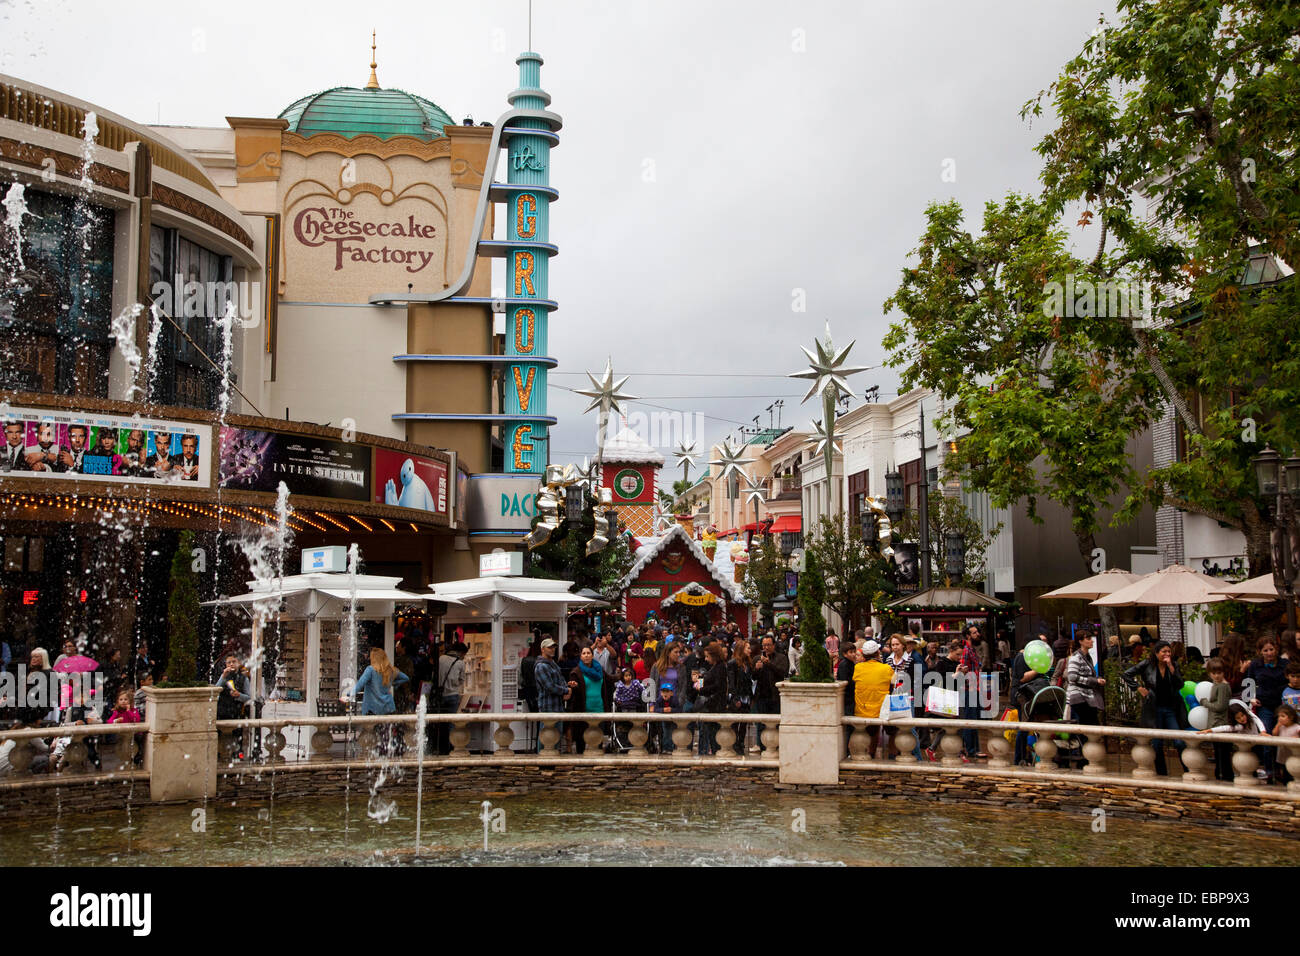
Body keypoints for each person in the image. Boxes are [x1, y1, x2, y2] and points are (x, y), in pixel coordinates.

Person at [1123, 641, 1188, 776]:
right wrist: (1138, 688)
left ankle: (1188, 770)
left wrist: (1171, 667)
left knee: (1179, 741)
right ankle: (1162, 773)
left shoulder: (1173, 665)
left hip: (1170, 708)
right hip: (1154, 708)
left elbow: (1180, 684)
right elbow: (1127, 674)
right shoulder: (1147, 664)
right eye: (1164, 651)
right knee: (1157, 743)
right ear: (1156, 653)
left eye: (1169, 651)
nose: (1167, 654)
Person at [1242, 637, 1285, 782]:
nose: (1269, 653)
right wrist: (1250, 699)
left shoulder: (1284, 664)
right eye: (1265, 650)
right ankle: (1270, 771)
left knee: (1283, 738)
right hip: (1264, 705)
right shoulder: (1255, 665)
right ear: (1260, 652)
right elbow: (1248, 682)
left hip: (1282, 705)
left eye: (1271, 649)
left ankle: (1283, 770)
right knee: (1266, 737)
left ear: (1276, 649)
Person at [1065, 629, 1106, 769]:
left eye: (1091, 638)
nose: (1091, 640)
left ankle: (1086, 758)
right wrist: (1094, 681)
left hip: (1088, 698)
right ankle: (1084, 758)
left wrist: (1095, 680)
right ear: (1080, 641)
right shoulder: (1076, 657)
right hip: (1080, 698)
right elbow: (1072, 677)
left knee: (1090, 728)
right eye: (1088, 638)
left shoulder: (1087, 657)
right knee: (1087, 728)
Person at [852, 641, 894, 759]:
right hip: (882, 711)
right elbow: (894, 684)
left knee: (873, 730)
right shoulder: (887, 668)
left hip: (862, 710)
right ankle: (892, 755)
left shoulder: (858, 668)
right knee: (894, 731)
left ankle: (871, 753)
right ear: (877, 653)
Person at [566, 645, 607, 754]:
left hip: (599, 709)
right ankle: (581, 765)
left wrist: (621, 675)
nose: (586, 655)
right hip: (583, 709)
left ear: (592, 656)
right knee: (581, 740)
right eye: (583, 653)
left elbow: (610, 679)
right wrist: (574, 686)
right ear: (580, 656)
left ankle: (597, 766)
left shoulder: (599, 670)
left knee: (598, 739)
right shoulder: (576, 672)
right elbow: (573, 689)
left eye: (588, 653)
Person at [695, 642, 728, 755]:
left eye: (707, 656)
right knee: (710, 733)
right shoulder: (716, 667)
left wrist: (702, 689)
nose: (706, 659)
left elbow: (718, 686)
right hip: (713, 704)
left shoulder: (720, 667)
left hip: (715, 705)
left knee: (714, 734)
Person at [1204, 658, 1234, 781]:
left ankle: (1224, 777)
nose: (1217, 675)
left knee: (1222, 753)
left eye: (1219, 673)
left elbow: (1221, 706)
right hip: (1216, 723)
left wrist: (1205, 703)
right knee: (1219, 752)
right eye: (1214, 673)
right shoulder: (1217, 685)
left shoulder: (1222, 686)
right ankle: (1221, 775)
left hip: (1220, 723)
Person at [727, 638, 754, 754]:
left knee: (744, 723)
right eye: (748, 648)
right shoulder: (732, 663)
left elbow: (750, 681)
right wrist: (735, 698)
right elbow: (731, 683)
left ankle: (741, 744)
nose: (750, 650)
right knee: (735, 723)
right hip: (737, 697)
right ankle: (734, 744)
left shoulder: (748, 663)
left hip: (746, 696)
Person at [612, 666, 644, 751]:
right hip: (624, 705)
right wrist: (618, 700)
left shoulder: (635, 683)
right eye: (626, 676)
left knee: (632, 719)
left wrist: (645, 694)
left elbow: (642, 690)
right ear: (623, 677)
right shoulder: (620, 685)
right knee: (625, 719)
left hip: (634, 704)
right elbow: (617, 695)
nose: (628, 677)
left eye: (629, 675)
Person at [1271, 704, 1298, 784]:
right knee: (1285, 774)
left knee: (1293, 772)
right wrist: (1277, 726)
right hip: (1283, 755)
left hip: (1293, 755)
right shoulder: (1281, 727)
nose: (1280, 718)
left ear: (1291, 717)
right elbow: (1274, 734)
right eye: (1278, 716)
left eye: (1283, 716)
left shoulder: (1296, 727)